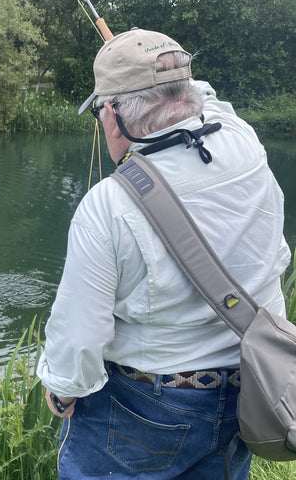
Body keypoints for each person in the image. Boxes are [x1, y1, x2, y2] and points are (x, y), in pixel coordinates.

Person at [37, 28, 291, 479]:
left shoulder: (108, 206)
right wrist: (164, 71)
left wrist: (61, 392)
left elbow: (78, 339)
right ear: (187, 92)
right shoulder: (245, 144)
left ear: (112, 115)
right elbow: (211, 101)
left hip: (143, 407)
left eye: (100, 113)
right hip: (249, 391)